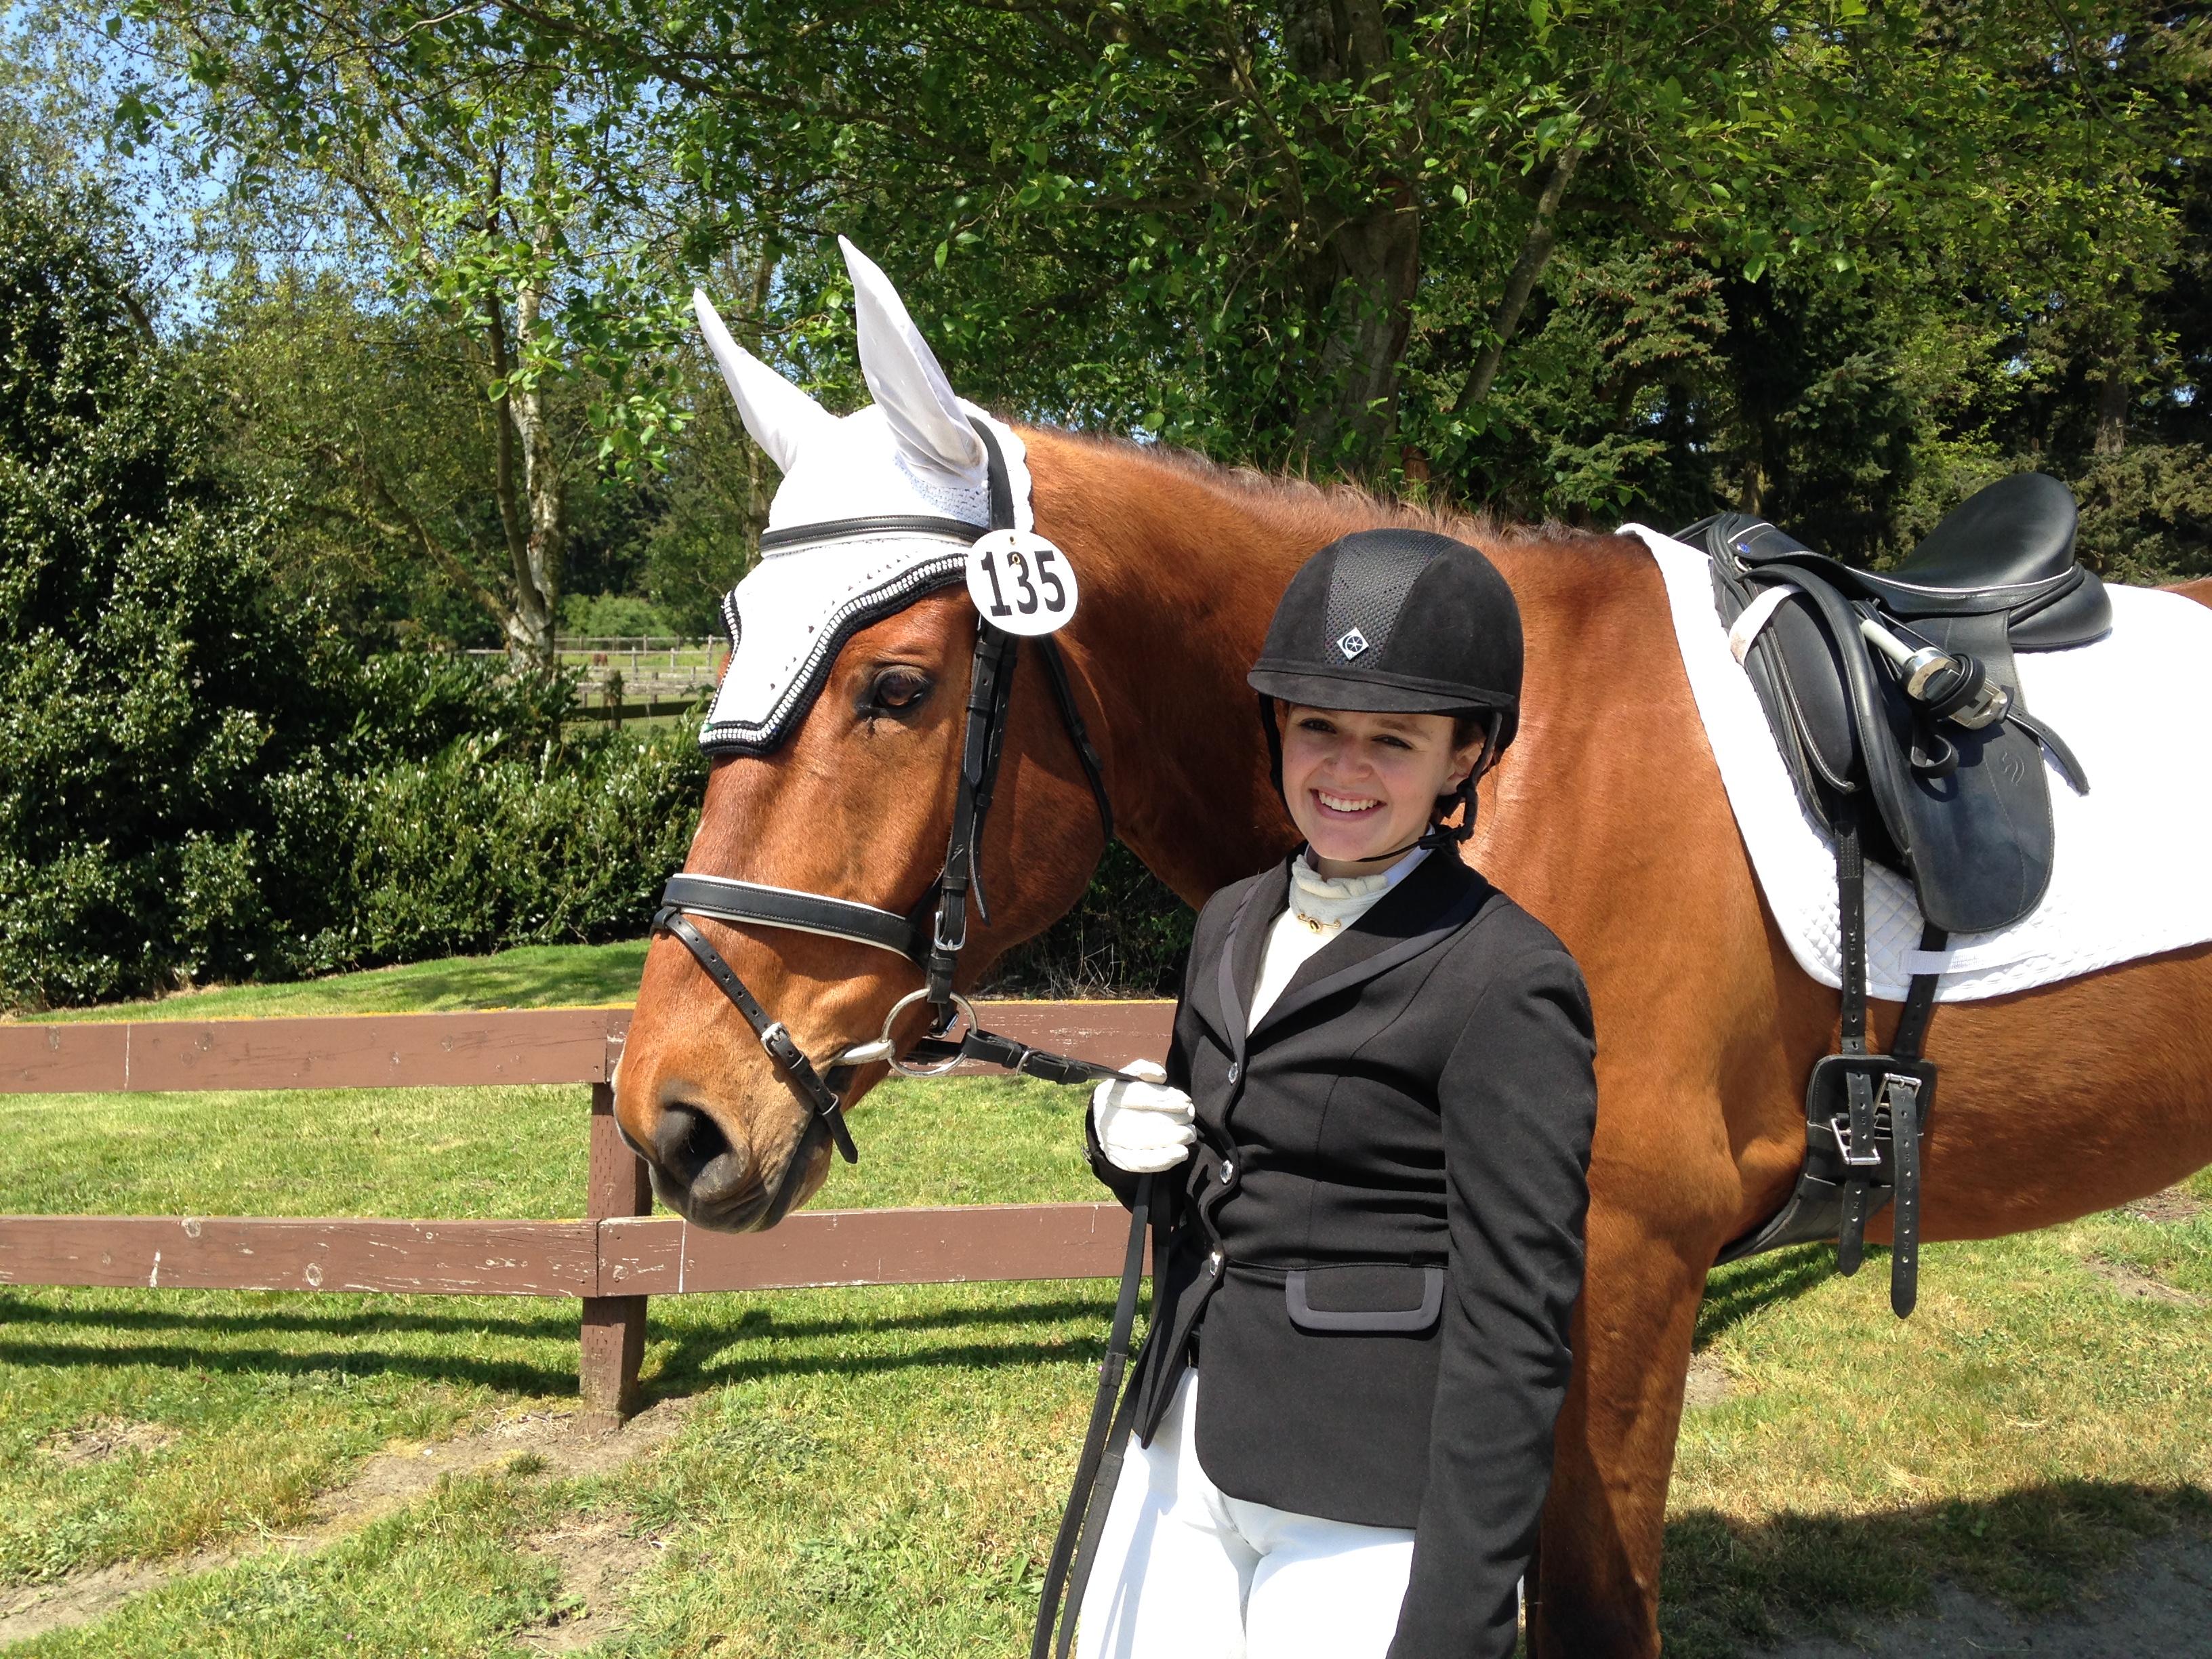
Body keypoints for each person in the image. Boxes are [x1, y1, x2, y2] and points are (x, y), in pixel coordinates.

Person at [1074, 528, 1599, 1659]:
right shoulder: (1230, 918)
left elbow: (1519, 1322)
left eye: (1392, 741)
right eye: (1318, 727)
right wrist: (1125, 1146)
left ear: (1463, 758)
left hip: (1360, 1487)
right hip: (1182, 1438)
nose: (1343, 771)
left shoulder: (1511, 977)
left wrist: (1459, 1612)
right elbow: (1217, 1162)